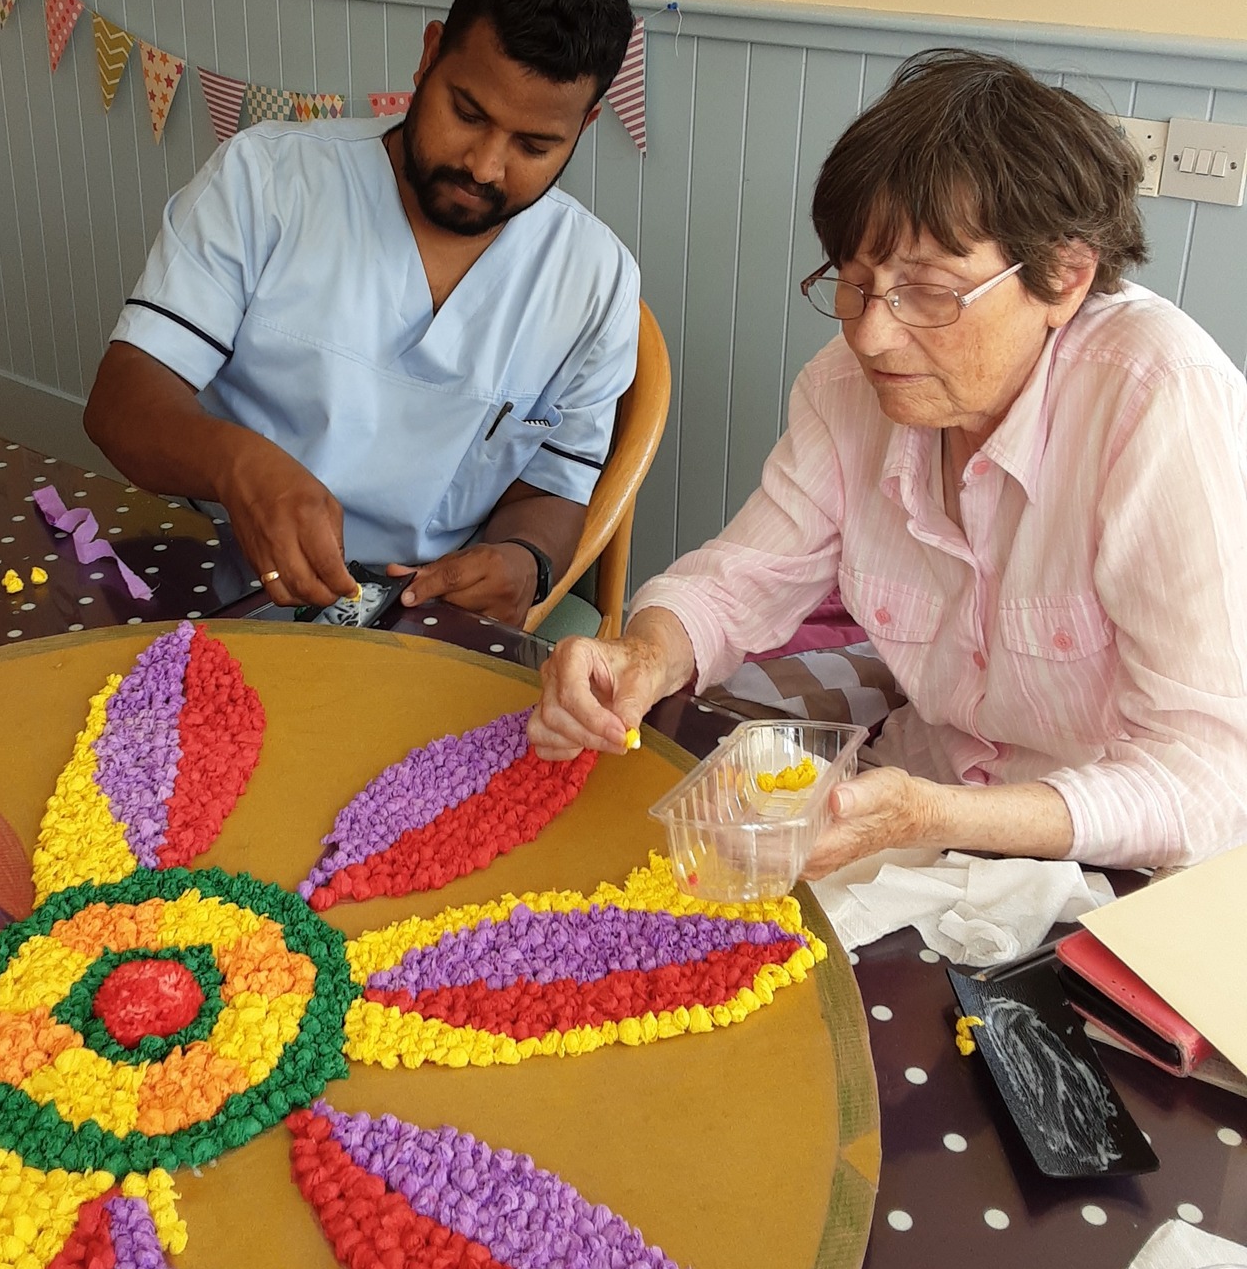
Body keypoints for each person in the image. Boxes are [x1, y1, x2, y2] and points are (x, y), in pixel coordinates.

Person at [530, 50, 1247, 874]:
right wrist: (645, 653)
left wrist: (935, 814)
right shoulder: (844, 388)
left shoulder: (1157, 398)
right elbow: (737, 581)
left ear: (1064, 278)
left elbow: (1209, 778)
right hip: (917, 791)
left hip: (1108, 846)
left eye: (930, 292)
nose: (870, 335)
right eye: (856, 283)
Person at [84, 0, 640, 628]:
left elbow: (552, 492)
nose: (486, 166)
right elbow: (120, 402)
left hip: (422, 626)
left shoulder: (594, 281)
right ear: (430, 55)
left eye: (535, 145)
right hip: (225, 587)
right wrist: (237, 465)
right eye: (467, 113)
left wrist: (525, 559)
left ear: (585, 125)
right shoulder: (266, 182)